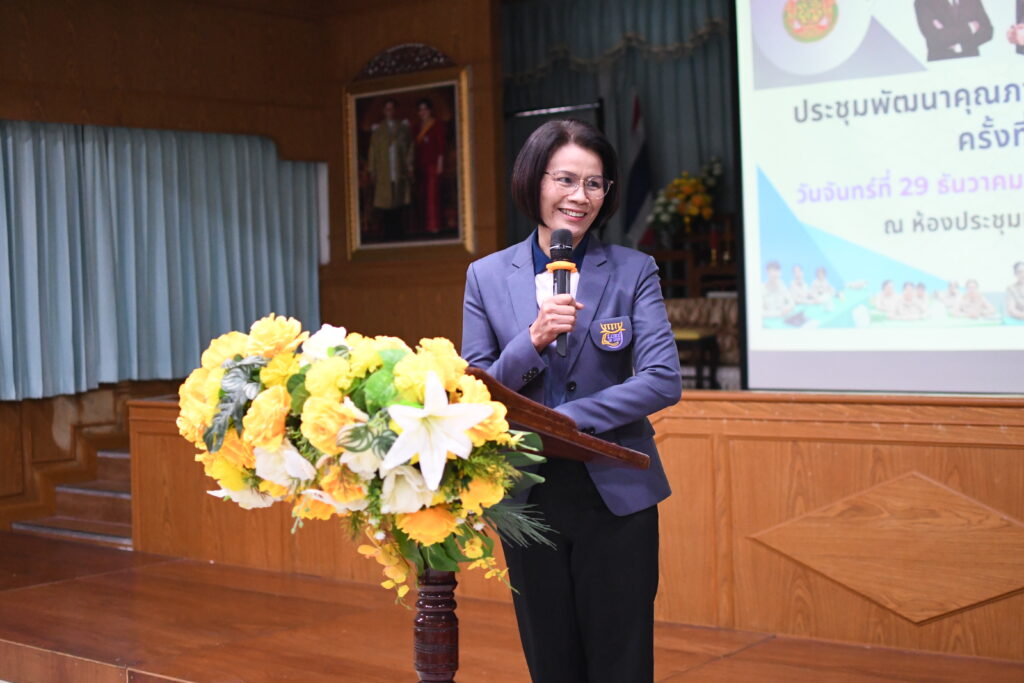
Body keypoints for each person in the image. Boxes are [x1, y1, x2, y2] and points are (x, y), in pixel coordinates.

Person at [461, 119, 681, 683]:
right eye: (565, 179)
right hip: (527, 492)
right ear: (534, 181)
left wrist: (562, 422)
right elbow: (475, 390)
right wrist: (531, 339)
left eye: (594, 183)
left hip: (617, 492)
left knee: (621, 662)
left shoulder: (633, 270)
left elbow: (662, 380)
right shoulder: (486, 276)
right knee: (551, 660)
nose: (579, 196)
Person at [367, 99, 413, 239]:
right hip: (384, 171)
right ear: (384, 111)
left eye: (392, 109)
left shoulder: (403, 128)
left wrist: (409, 164)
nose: (390, 112)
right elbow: (373, 152)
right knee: (385, 202)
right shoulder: (378, 131)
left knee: (398, 200)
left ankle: (399, 232)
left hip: (398, 170)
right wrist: (372, 170)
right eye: (387, 109)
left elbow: (410, 147)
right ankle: (387, 233)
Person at [914, 0, 993, 61]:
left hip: (971, 61)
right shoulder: (924, 2)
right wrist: (970, 27)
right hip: (940, 63)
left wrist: (963, 46)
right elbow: (935, 36)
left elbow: (987, 31)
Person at [414, 98, 447, 234]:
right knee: (423, 196)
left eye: (425, 109)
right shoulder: (418, 127)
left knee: (433, 196)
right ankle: (424, 226)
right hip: (421, 166)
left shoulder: (436, 124)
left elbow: (441, 146)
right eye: (420, 110)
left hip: (433, 165)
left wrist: (440, 163)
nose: (423, 112)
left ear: (430, 110)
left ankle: (433, 226)